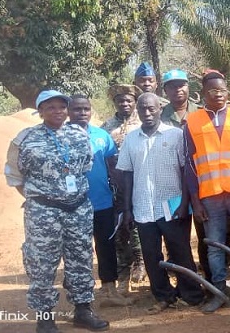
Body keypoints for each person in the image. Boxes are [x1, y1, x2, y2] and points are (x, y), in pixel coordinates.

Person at [5, 90, 109, 333]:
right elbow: (15, 176)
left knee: (81, 260)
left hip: (78, 209)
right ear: (40, 111)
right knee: (42, 264)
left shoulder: (79, 135)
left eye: (62, 107)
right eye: (50, 107)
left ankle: (83, 312)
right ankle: (45, 318)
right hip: (43, 212)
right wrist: (41, 199)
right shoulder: (25, 139)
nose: (57, 111)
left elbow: (86, 166)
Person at [116, 93, 204, 314]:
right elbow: (126, 174)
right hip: (143, 207)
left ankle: (192, 294)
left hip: (173, 205)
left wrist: (185, 203)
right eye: (143, 109)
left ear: (159, 109)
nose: (147, 113)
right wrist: (126, 209)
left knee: (181, 251)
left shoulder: (175, 135)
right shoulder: (131, 139)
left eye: (151, 109)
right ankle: (164, 295)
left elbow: (187, 171)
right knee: (151, 254)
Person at [184, 70, 230, 313]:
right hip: (210, 195)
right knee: (215, 246)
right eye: (212, 91)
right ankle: (219, 292)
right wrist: (196, 201)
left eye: (222, 90)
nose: (217, 94)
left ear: (228, 92)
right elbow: (189, 164)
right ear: (203, 94)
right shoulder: (192, 121)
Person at [67, 94, 131, 307]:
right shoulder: (59, 136)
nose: (82, 113)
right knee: (78, 250)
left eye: (86, 109)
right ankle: (81, 296)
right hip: (72, 206)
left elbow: (113, 167)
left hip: (102, 203)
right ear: (69, 111)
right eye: (76, 109)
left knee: (106, 246)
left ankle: (110, 290)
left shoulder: (102, 135)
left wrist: (121, 199)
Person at [101, 84, 145, 294]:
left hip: (140, 182)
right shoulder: (107, 127)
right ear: (115, 103)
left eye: (128, 100)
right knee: (119, 228)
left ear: (135, 101)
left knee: (138, 224)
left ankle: (141, 262)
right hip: (116, 185)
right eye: (120, 100)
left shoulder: (142, 122)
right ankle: (123, 269)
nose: (125, 103)